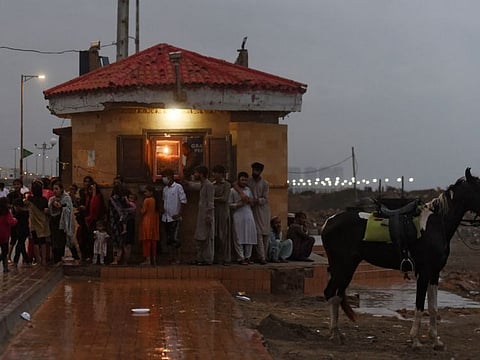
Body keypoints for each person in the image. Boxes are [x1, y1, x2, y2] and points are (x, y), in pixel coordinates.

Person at [229, 171, 257, 265]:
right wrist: (238, 205)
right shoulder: (232, 191)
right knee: (238, 237)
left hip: (248, 214)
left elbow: (252, 202)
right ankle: (240, 258)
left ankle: (248, 257)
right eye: (242, 180)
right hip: (238, 215)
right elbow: (229, 205)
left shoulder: (248, 190)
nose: (244, 182)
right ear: (238, 180)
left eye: (245, 180)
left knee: (249, 236)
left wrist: (249, 201)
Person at [161, 168, 187, 264]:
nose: (164, 179)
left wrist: (179, 214)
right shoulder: (165, 189)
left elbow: (183, 201)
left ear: (171, 177)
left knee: (176, 239)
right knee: (168, 239)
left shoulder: (178, 187)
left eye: (165, 177)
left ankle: (178, 258)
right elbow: (163, 201)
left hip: (175, 218)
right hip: (166, 218)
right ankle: (170, 257)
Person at [48, 180, 78, 264]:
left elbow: (68, 209)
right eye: (53, 189)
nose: (55, 191)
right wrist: (52, 205)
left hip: (64, 223)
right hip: (54, 223)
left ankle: (76, 257)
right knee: (55, 241)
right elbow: (50, 209)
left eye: (57, 189)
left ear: (61, 189)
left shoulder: (66, 198)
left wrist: (61, 206)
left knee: (66, 240)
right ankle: (57, 259)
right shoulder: (52, 199)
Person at [247, 162, 270, 264]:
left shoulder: (265, 183)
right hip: (251, 211)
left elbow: (265, 199)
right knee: (257, 234)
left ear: (260, 171)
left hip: (262, 211)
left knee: (265, 234)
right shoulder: (249, 182)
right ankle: (261, 257)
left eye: (256, 170)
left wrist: (256, 201)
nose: (254, 172)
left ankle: (264, 256)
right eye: (253, 170)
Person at [192, 166, 215, 265]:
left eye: (196, 173)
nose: (194, 175)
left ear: (201, 174)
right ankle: (200, 258)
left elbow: (210, 202)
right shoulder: (203, 184)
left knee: (207, 238)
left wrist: (209, 215)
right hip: (201, 214)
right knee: (200, 237)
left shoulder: (209, 185)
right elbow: (193, 186)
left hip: (206, 215)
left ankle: (208, 259)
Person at [25, 180, 50, 266]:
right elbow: (47, 211)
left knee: (35, 242)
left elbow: (25, 205)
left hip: (34, 224)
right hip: (42, 224)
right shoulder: (44, 200)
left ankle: (38, 260)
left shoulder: (30, 199)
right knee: (43, 242)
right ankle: (44, 260)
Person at [108, 179, 131, 265]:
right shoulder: (122, 200)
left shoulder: (114, 200)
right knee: (119, 243)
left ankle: (116, 259)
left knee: (116, 244)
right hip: (120, 223)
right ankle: (118, 259)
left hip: (116, 223)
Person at [212, 165, 231, 265]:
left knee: (223, 236)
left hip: (223, 213)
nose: (214, 175)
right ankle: (216, 257)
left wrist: (213, 199)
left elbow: (224, 198)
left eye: (216, 173)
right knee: (214, 236)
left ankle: (225, 258)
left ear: (221, 174)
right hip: (214, 212)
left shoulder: (227, 185)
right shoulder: (212, 184)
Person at [139, 185, 160, 266]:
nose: (145, 193)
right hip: (154, 222)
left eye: (146, 191)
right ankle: (154, 259)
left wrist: (141, 207)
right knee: (153, 242)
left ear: (151, 192)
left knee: (146, 242)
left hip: (147, 222)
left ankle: (147, 259)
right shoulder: (155, 200)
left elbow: (143, 211)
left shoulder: (147, 200)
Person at [6, 179, 24, 264]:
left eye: (18, 184)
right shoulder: (10, 195)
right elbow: (7, 205)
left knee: (21, 238)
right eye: (15, 184)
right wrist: (13, 206)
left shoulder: (22, 195)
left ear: (21, 185)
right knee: (13, 239)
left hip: (22, 219)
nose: (16, 186)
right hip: (13, 218)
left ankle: (25, 258)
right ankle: (8, 256)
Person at [0, 197, 17, 272]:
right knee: (5, 251)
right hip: (4, 235)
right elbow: (11, 222)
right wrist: (15, 220)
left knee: (4, 251)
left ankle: (5, 268)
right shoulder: (6, 213)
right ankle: (5, 268)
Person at [12, 198, 30, 267]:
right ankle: (27, 260)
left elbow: (14, 221)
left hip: (21, 232)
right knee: (21, 246)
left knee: (18, 246)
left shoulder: (19, 213)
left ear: (18, 206)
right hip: (24, 231)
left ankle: (15, 261)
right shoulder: (26, 212)